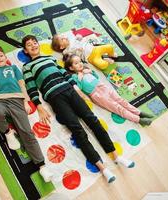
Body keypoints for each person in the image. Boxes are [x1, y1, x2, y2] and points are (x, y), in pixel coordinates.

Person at [22, 35, 135, 184]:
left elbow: (64, 73)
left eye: (34, 43)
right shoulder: (27, 67)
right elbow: (31, 86)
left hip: (69, 90)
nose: (33, 46)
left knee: (93, 120)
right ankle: (102, 168)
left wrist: (77, 89)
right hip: (54, 97)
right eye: (29, 45)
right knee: (77, 130)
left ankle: (116, 157)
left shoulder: (50, 58)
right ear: (25, 50)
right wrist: (39, 105)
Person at [0, 45, 53, 182]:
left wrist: (26, 102)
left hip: (18, 101)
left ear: (5, 57)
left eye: (1, 55)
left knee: (26, 132)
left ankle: (42, 166)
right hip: (1, 101)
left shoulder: (14, 69)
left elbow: (22, 85)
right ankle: (9, 133)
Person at [63, 54, 154, 126]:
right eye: (76, 63)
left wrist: (91, 72)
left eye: (80, 61)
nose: (80, 64)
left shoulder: (85, 69)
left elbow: (96, 77)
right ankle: (138, 119)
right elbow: (79, 88)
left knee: (121, 100)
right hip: (97, 95)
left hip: (103, 87)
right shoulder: (75, 77)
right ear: (71, 68)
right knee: (117, 107)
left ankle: (139, 112)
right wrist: (79, 78)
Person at [51, 33, 117, 70]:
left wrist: (79, 37)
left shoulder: (71, 39)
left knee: (109, 46)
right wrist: (76, 50)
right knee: (103, 65)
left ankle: (111, 54)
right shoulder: (66, 51)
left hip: (94, 48)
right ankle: (106, 59)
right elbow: (70, 57)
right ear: (62, 47)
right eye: (62, 39)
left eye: (63, 36)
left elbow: (80, 38)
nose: (65, 37)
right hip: (90, 57)